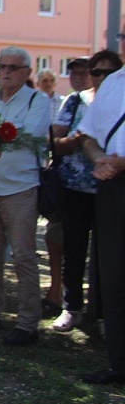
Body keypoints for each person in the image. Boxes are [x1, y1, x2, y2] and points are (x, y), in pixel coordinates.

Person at [0, 47, 51, 346]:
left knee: (24, 257)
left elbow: (27, 135)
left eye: (13, 67)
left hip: (21, 189)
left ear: (27, 72)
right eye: (1, 66)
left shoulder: (38, 100)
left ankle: (28, 324)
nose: (6, 72)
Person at [50, 52, 121, 333]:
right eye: (95, 71)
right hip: (76, 186)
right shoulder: (75, 100)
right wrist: (77, 140)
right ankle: (72, 307)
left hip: (112, 187)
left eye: (107, 71)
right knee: (75, 248)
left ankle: (104, 314)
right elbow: (55, 142)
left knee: (108, 254)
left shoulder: (119, 98)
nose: (99, 77)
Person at [77, 62, 125, 385]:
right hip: (112, 184)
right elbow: (89, 135)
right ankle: (120, 362)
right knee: (114, 273)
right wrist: (99, 160)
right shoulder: (112, 83)